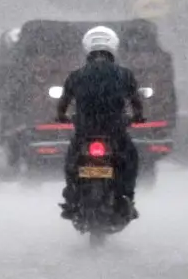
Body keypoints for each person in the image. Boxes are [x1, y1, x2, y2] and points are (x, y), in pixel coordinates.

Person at [56, 26, 145, 220]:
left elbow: (63, 104)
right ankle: (127, 197)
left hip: (85, 132)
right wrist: (138, 116)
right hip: (115, 132)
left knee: (72, 162)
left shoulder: (76, 75)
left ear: (87, 48)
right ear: (113, 47)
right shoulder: (124, 74)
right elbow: (136, 102)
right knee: (130, 159)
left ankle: (72, 197)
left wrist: (61, 116)